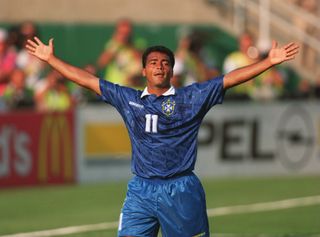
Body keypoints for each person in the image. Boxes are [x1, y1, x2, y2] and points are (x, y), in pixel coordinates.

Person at [26, 36, 299, 236]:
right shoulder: (128, 98)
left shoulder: (191, 97)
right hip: (141, 190)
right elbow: (85, 80)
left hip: (180, 189)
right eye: (154, 63)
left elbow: (230, 79)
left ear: (171, 70)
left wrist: (268, 62)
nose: (160, 67)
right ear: (144, 70)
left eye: (166, 63)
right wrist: (50, 59)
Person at [97, 19, 143, 89]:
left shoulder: (138, 43)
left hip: (132, 87)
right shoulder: (113, 44)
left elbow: (141, 62)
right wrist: (116, 45)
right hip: (113, 87)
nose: (125, 36)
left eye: (127, 33)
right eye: (122, 33)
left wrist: (130, 45)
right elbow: (101, 63)